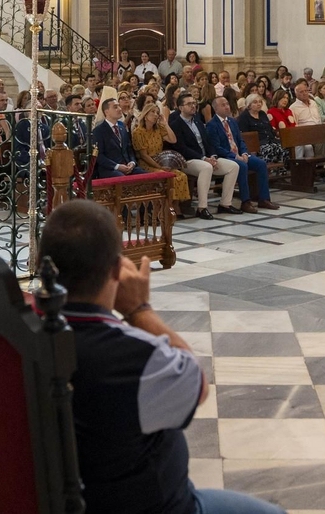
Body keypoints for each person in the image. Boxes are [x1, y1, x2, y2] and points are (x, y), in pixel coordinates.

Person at [38, 202, 281, 514]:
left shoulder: (19, 333)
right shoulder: (134, 354)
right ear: (116, 271)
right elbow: (197, 384)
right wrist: (139, 311)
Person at [167, 94, 237, 216]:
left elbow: (208, 143)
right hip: (187, 160)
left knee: (233, 166)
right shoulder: (175, 124)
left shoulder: (198, 122)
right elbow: (182, 148)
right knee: (206, 168)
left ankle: (225, 204)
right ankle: (202, 208)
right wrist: (204, 158)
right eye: (189, 104)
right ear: (180, 107)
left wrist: (213, 157)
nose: (193, 106)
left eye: (194, 103)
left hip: (206, 158)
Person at [204, 97, 276, 214]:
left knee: (261, 164)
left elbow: (240, 140)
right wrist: (234, 156)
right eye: (223, 105)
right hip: (226, 157)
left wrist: (244, 153)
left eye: (227, 104)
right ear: (215, 108)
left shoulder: (232, 121)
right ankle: (245, 201)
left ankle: (264, 198)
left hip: (239, 154)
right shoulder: (212, 125)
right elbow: (216, 147)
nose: (227, 106)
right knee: (242, 166)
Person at [132, 103, 198, 219]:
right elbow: (144, 155)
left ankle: (175, 206)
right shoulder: (138, 132)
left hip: (161, 160)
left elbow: (173, 140)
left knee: (181, 176)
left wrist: (165, 124)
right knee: (165, 176)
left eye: (157, 112)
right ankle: (162, 208)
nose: (155, 115)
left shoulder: (159, 129)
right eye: (152, 112)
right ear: (145, 115)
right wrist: (159, 167)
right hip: (147, 163)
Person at [90, 98, 140, 179]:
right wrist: (117, 166)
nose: (119, 109)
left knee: (147, 176)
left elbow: (129, 149)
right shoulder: (98, 131)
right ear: (106, 112)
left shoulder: (122, 127)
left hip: (127, 166)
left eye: (119, 106)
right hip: (110, 169)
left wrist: (132, 162)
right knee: (123, 180)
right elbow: (99, 156)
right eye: (115, 107)